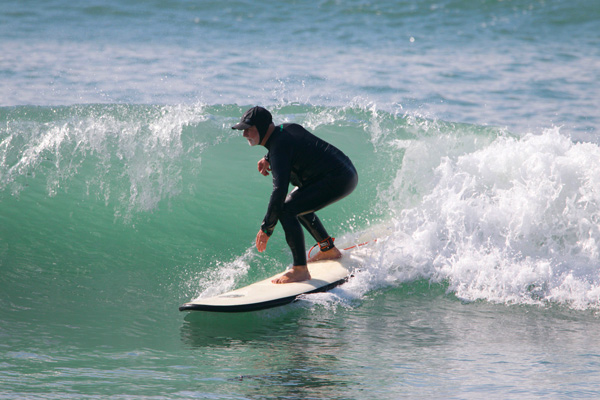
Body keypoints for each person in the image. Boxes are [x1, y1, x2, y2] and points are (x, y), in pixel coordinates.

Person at [232, 106, 358, 284]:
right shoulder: (285, 129)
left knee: (287, 209)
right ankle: (328, 249)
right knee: (296, 203)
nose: (244, 135)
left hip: (338, 179)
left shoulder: (279, 148)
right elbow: (289, 143)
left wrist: (267, 227)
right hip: (345, 171)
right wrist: (268, 157)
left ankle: (300, 270)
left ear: (261, 127)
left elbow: (279, 191)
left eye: (248, 129)